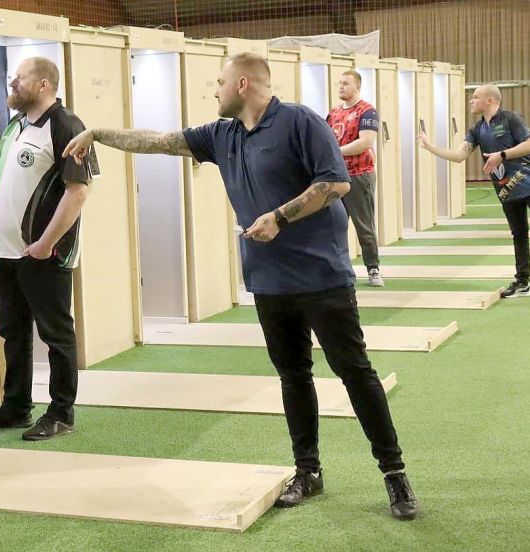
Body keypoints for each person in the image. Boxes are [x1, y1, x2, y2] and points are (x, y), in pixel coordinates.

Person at [63, 52, 418, 521]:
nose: (215, 91)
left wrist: (279, 217)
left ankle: (394, 474)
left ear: (244, 84)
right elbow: (161, 141)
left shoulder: (300, 122)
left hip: (321, 276)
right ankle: (307, 470)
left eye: (219, 83)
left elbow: (335, 184)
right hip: (269, 280)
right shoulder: (222, 134)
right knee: (293, 375)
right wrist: (100, 133)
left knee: (354, 372)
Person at [0, 57, 98, 440]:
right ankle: (16, 407)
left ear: (44, 84)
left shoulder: (67, 126)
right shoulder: (16, 125)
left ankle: (61, 412)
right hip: (10, 253)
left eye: (20, 77)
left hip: (45, 253)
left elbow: (78, 192)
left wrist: (46, 243)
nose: (12, 82)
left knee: (56, 333)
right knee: (13, 330)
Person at [419, 84, 530, 300]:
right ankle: (522, 281)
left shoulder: (511, 119)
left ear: (490, 100)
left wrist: (501, 155)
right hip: (506, 189)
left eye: (475, 97)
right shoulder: (476, 129)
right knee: (518, 234)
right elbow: (458, 156)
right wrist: (430, 147)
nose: (471, 101)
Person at [327, 70, 383, 286]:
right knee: (335, 225)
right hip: (337, 177)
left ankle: (373, 268)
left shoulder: (367, 111)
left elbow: (365, 142)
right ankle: (338, 269)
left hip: (360, 176)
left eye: (346, 83)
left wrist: (335, 151)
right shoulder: (333, 113)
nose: (341, 87)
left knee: (364, 225)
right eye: (339, 83)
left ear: (357, 86)